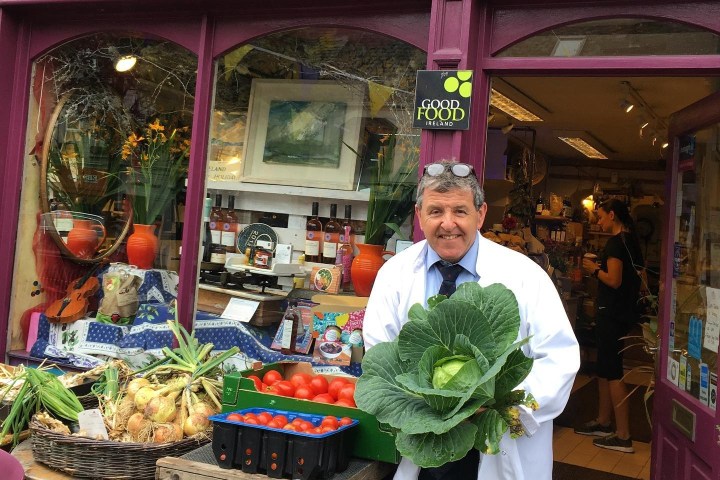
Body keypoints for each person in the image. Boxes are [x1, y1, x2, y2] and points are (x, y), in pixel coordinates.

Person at [363, 160, 580, 480]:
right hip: (427, 452)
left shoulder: (524, 276)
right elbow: (382, 358)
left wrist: (501, 410)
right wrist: (428, 409)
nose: (447, 223)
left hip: (502, 448)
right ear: (420, 215)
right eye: (436, 211)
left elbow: (560, 360)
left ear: (480, 215)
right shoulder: (394, 274)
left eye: (460, 211)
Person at [575, 198, 644, 453]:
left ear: (612, 215)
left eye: (602, 217)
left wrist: (594, 269)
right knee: (604, 370)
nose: (600, 222)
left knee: (613, 372)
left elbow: (613, 280)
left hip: (612, 315)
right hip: (622, 314)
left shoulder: (616, 244)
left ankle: (623, 434)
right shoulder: (631, 243)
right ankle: (603, 422)